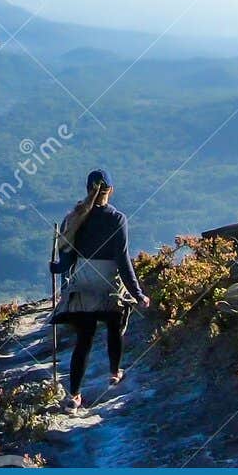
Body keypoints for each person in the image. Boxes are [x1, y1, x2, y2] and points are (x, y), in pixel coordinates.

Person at [50, 169, 150, 410]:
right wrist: (137, 294)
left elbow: (66, 260)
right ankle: (114, 373)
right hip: (108, 285)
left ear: (87, 190)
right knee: (115, 326)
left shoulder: (74, 218)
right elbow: (123, 260)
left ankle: (73, 395)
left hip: (83, 283)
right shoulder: (117, 219)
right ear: (111, 191)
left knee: (84, 340)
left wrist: (55, 267)